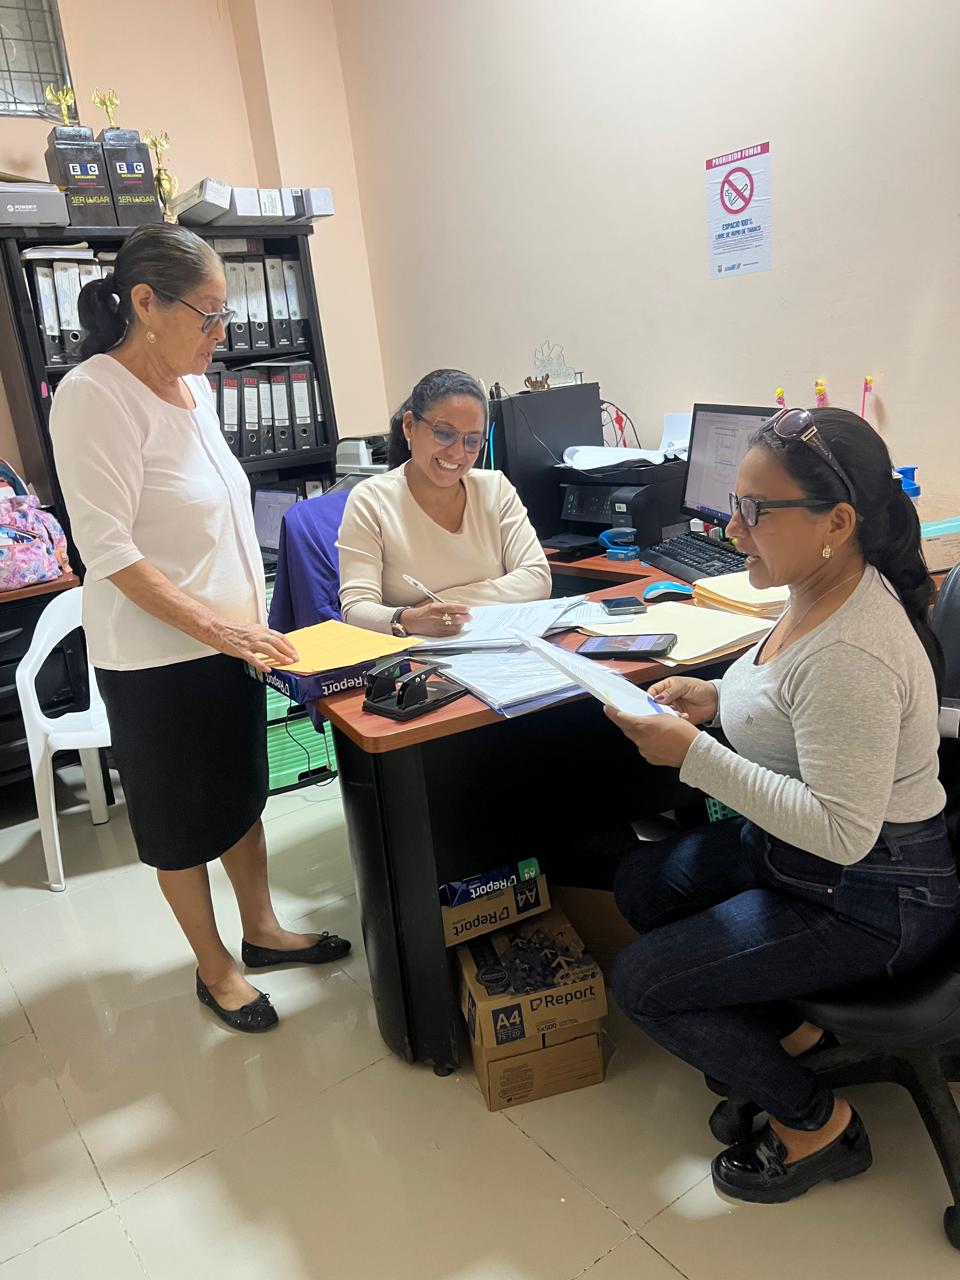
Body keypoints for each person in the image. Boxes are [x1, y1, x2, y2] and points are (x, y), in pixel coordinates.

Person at [604, 407, 957, 1204]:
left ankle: (818, 1125)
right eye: (735, 504)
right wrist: (712, 700)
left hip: (872, 893)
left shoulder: (855, 649)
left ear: (837, 523)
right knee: (642, 884)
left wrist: (693, 756)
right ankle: (792, 1032)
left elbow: (841, 831)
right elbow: (782, 694)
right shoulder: (812, 586)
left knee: (643, 985)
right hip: (797, 854)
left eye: (755, 511)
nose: (732, 529)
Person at [50, 224, 349, 1034]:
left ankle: (262, 930)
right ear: (145, 303)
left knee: (240, 795)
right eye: (207, 315)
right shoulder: (94, 395)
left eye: (225, 316)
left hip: (229, 644)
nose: (220, 334)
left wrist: (239, 629)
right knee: (181, 822)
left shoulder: (197, 392)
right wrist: (220, 629)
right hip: (156, 658)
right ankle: (215, 969)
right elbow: (109, 552)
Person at [337, 369, 551, 637]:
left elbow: (537, 577)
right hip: (415, 652)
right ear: (409, 427)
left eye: (472, 441)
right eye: (444, 434)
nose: (457, 453)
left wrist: (443, 604)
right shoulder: (371, 500)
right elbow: (356, 608)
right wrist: (409, 619)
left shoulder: (495, 489)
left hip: (496, 644)